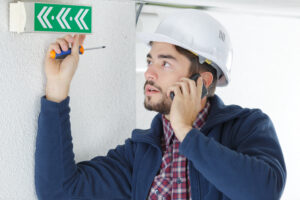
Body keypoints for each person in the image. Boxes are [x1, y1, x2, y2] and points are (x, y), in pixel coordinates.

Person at [35, 9, 286, 200]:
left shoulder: (247, 127)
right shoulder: (141, 153)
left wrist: (186, 133)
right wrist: (57, 90)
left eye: (165, 63)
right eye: (150, 61)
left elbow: (263, 192)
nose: (149, 74)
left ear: (202, 81)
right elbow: (59, 191)